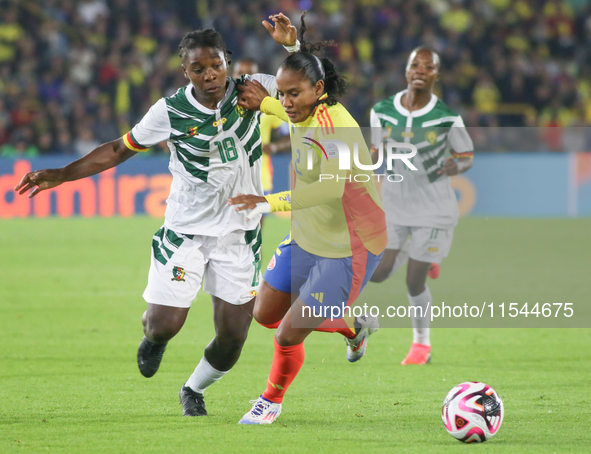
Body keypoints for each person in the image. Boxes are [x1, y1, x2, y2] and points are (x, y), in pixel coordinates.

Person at [14, 29, 280, 417]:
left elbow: (312, 88)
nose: (209, 75)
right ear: (184, 71)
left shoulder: (256, 89)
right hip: (186, 231)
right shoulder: (169, 111)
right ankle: (153, 340)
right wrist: (63, 173)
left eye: (216, 65)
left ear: (227, 61)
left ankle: (193, 389)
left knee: (233, 338)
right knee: (163, 326)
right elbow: (120, 149)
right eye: (198, 68)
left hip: (239, 232)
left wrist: (290, 53)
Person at [228, 12, 387, 425]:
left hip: (350, 247)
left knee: (287, 333)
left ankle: (269, 402)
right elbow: (290, 105)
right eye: (280, 95)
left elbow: (330, 188)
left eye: (292, 94)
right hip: (309, 236)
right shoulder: (306, 107)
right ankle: (354, 325)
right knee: (264, 314)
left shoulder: (340, 130)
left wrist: (268, 202)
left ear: (317, 90)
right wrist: (280, 72)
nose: (285, 103)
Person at [368, 47, 474, 365]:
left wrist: (454, 167)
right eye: (415, 64)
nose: (420, 70)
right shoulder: (381, 111)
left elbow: (466, 155)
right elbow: (376, 154)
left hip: (433, 209)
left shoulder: (447, 117)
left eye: (428, 67)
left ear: (436, 76)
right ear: (405, 70)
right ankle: (430, 257)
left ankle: (421, 345)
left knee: (414, 280)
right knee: (377, 273)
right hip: (395, 205)